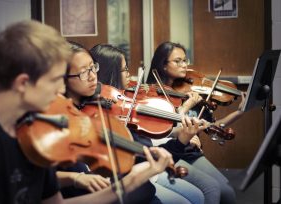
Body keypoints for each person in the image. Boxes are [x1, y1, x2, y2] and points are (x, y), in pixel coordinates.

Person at [0, 20, 175, 204]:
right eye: (55, 80)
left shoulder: (34, 131)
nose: (61, 91)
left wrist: (129, 182)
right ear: (23, 83)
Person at [90, 43, 214, 204]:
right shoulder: (102, 113)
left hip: (148, 170)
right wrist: (181, 127)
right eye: (125, 69)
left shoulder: (126, 106)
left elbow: (153, 136)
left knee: (199, 195)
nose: (130, 75)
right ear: (110, 73)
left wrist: (180, 134)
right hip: (139, 175)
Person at [146, 41, 246, 204]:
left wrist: (240, 112)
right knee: (212, 190)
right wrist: (184, 109)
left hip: (191, 152)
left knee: (227, 193)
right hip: (173, 152)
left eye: (185, 60)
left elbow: (213, 127)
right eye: (178, 61)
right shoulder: (153, 95)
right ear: (163, 65)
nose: (184, 65)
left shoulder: (191, 93)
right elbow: (162, 131)